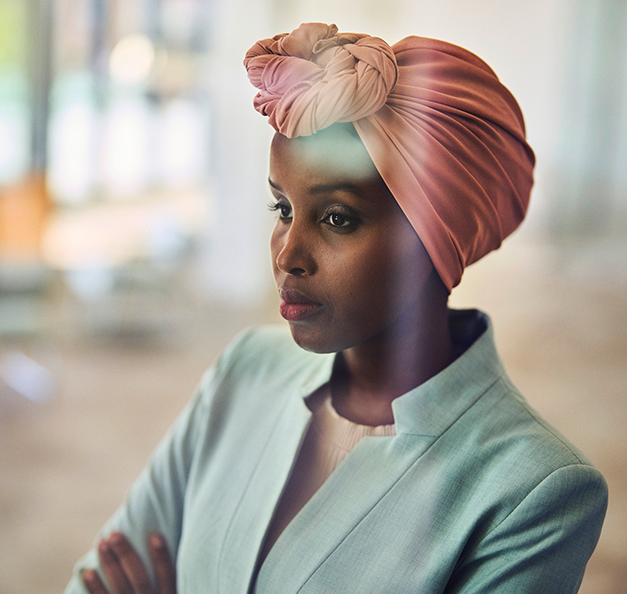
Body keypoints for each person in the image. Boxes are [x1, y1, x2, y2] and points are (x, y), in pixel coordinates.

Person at [66, 23, 607, 594]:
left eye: (337, 218)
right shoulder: (246, 369)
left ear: (434, 239)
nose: (288, 254)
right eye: (281, 207)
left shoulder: (534, 494)